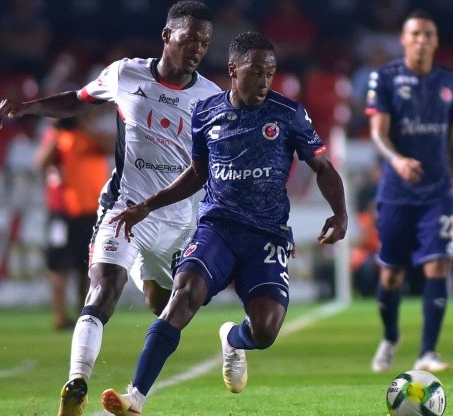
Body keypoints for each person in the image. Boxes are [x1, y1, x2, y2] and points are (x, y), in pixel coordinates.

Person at [99, 31, 348, 416]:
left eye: (270, 73)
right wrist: (147, 206)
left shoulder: (288, 114)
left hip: (266, 234)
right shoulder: (205, 112)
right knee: (183, 297)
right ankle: (136, 397)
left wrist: (340, 210)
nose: (265, 81)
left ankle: (233, 338)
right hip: (217, 229)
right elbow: (197, 174)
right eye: (255, 72)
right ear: (233, 69)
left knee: (264, 331)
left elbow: (323, 166)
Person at [0, 2, 220, 415]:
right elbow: (78, 100)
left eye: (204, 41)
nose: (198, 48)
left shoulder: (211, 98)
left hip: (179, 222)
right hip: (125, 210)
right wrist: (29, 108)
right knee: (103, 289)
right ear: (167, 36)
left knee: (166, 304)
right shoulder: (125, 73)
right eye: (189, 39)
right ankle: (77, 380)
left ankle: (161, 297)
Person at [365, 10, 453, 373]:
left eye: (429, 34)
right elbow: (378, 130)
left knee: (439, 263)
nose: (422, 40)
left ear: (436, 41)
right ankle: (390, 336)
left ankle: (428, 352)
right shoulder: (386, 78)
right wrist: (397, 160)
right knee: (391, 274)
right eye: (416, 34)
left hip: (437, 190)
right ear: (404, 39)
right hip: (396, 191)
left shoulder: (451, 82)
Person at [33, 110, 113, 330]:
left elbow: (111, 148)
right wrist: (58, 130)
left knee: (87, 267)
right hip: (62, 211)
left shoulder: (94, 134)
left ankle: (84, 313)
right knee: (58, 265)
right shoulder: (57, 137)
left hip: (92, 211)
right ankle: (59, 316)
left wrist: (85, 127)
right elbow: (40, 163)